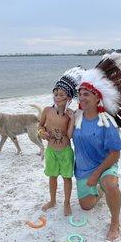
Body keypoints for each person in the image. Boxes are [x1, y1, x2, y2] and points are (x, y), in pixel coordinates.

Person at [72, 67, 121, 241]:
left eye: (87, 94)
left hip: (105, 164)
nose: (82, 97)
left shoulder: (106, 122)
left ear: (97, 98)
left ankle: (115, 222)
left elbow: (115, 154)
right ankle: (101, 190)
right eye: (80, 93)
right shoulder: (76, 118)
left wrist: (96, 174)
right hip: (83, 170)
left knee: (110, 184)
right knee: (86, 206)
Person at [38, 68, 82, 216]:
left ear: (69, 98)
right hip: (51, 150)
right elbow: (40, 125)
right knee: (52, 176)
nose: (57, 97)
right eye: (55, 94)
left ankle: (67, 202)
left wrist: (72, 120)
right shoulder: (47, 111)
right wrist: (42, 132)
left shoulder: (70, 115)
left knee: (67, 177)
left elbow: (69, 136)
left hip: (65, 152)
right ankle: (52, 200)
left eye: (61, 95)